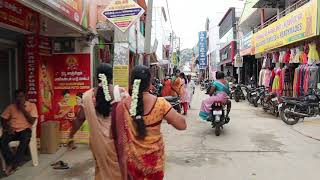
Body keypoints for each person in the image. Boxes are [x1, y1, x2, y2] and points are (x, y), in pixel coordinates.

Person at [115, 65, 187, 180]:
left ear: (132, 84)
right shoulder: (160, 104)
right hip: (154, 165)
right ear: (149, 84)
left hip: (132, 166)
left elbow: (119, 140)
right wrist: (168, 117)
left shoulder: (122, 105)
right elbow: (182, 125)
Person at [68, 63, 127, 180]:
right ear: (111, 77)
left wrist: (70, 136)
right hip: (117, 143)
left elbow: (79, 119)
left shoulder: (87, 96)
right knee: (118, 171)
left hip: (97, 143)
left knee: (101, 170)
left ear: (96, 77)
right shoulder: (121, 93)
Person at [0, 89, 38, 176]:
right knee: (2, 141)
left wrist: (22, 109)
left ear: (25, 97)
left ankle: (12, 165)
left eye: (21, 96)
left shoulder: (32, 106)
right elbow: (3, 119)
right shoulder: (11, 107)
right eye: (17, 97)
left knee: (24, 140)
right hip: (13, 130)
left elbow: (32, 121)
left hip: (25, 129)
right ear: (14, 98)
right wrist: (8, 127)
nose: (19, 98)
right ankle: (12, 163)